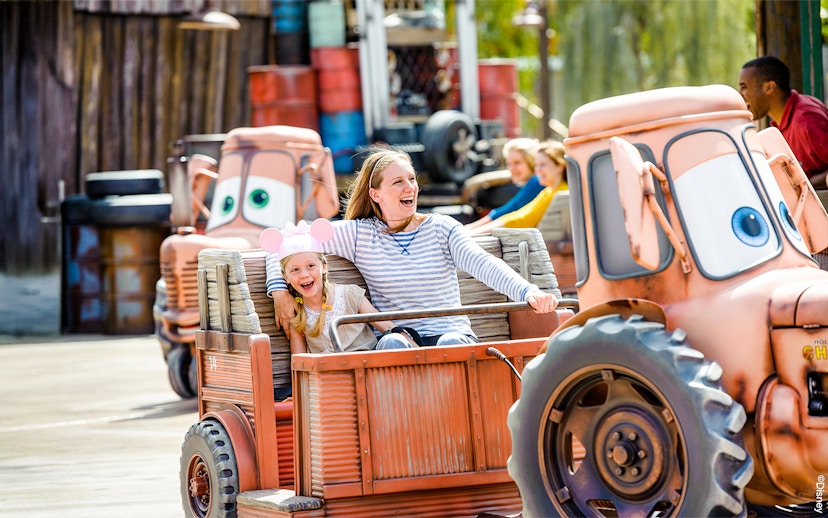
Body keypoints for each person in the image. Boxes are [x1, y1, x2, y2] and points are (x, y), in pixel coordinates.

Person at [265, 148, 558, 348]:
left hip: (452, 336)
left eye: (412, 179)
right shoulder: (359, 234)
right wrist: (279, 290)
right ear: (375, 194)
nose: (410, 188)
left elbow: (481, 262)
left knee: (450, 344)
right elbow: (284, 240)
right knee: (393, 344)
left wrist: (527, 291)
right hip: (401, 339)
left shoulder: (443, 227)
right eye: (398, 182)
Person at [260, 219, 415, 353]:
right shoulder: (298, 313)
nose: (304, 275)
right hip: (333, 379)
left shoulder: (350, 295)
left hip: (369, 369)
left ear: (324, 267)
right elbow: (298, 362)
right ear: (285, 277)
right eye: (295, 270)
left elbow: (387, 326)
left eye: (311, 266)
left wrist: (420, 351)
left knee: (392, 340)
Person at [738, 56, 828, 187]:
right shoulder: (780, 124)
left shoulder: (806, 120)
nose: (739, 94)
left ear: (769, 87)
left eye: (744, 87)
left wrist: (801, 183)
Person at [467, 140, 568, 235]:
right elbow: (519, 214)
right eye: (509, 163)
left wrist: (471, 232)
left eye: (517, 163)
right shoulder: (548, 190)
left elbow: (521, 217)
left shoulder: (542, 184)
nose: (538, 170)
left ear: (560, 166)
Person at [464, 138, 542, 232]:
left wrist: (467, 230)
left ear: (531, 161)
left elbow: (511, 209)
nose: (512, 168)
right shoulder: (534, 181)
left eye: (517, 163)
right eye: (509, 163)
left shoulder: (537, 181)